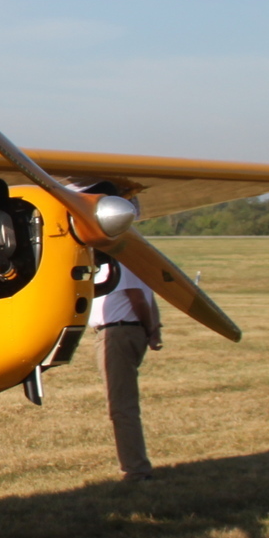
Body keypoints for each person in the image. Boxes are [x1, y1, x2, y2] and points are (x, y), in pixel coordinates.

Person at [83, 182, 161, 481]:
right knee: (122, 404)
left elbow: (137, 298)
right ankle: (135, 465)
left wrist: (151, 328)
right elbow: (148, 295)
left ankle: (136, 469)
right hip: (127, 331)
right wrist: (154, 330)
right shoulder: (134, 251)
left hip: (118, 334)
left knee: (121, 407)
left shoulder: (121, 252)